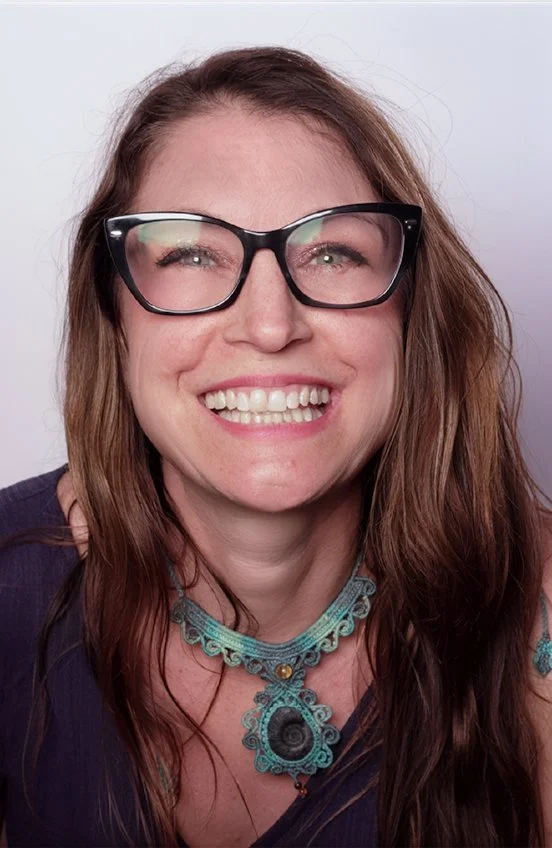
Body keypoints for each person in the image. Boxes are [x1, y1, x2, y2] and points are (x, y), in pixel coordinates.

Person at [0, 44, 551, 848]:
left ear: (411, 313)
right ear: (113, 314)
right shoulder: (11, 584)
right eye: (191, 254)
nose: (269, 325)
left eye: (333, 253)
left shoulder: (534, 600)